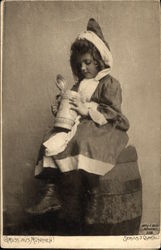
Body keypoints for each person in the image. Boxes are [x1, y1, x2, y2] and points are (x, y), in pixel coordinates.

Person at [27, 18, 130, 225]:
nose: (83, 67)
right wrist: (61, 109)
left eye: (88, 62)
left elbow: (113, 112)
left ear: (99, 60)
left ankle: (93, 196)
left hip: (104, 126)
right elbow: (70, 109)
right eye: (79, 64)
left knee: (84, 139)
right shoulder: (78, 85)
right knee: (51, 137)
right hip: (78, 124)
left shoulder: (109, 83)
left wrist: (88, 109)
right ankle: (52, 191)